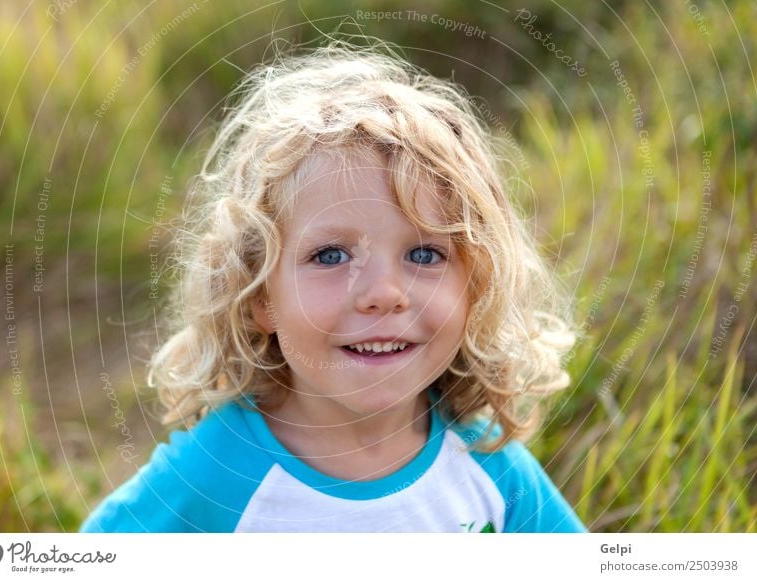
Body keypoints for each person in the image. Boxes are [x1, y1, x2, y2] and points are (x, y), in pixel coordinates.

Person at [80, 39, 587, 533]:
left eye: (425, 254)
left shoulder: (487, 464)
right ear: (260, 297)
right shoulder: (217, 472)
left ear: (476, 288)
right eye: (330, 255)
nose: (384, 293)